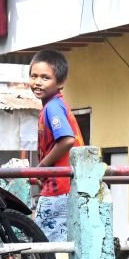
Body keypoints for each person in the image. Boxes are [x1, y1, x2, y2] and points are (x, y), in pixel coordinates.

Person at [29, 49, 84, 242]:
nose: (37, 82)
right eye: (34, 76)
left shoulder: (52, 107)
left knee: (46, 250)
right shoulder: (51, 106)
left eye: (45, 77)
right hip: (59, 187)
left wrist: (42, 167)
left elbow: (67, 139)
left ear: (60, 82)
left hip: (59, 190)